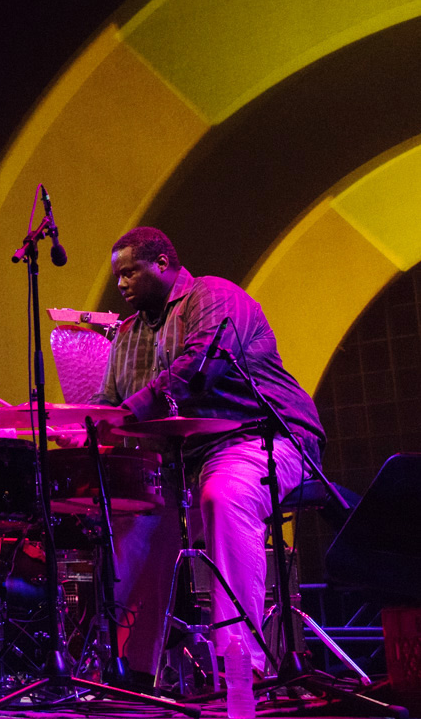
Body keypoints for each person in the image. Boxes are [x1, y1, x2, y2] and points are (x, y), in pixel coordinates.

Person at [90, 227, 325, 678]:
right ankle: (132, 672)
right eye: (117, 276)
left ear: (162, 262)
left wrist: (125, 412)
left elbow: (201, 365)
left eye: (130, 272)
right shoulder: (126, 337)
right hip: (186, 459)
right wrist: (73, 427)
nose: (120, 284)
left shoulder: (213, 295)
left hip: (262, 437)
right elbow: (107, 404)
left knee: (224, 494)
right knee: (135, 521)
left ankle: (243, 665)